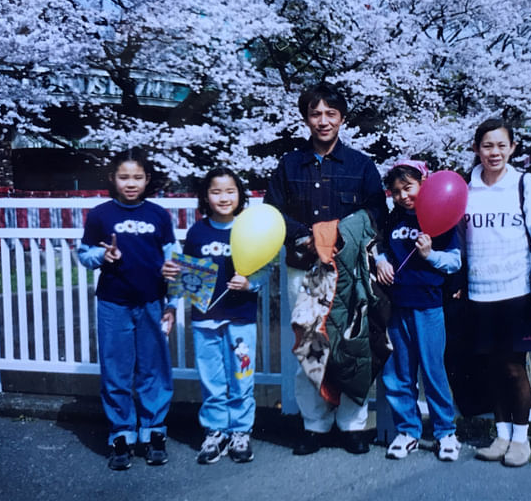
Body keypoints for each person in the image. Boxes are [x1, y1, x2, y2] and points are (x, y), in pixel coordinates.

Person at [264, 82, 387, 456]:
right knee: (310, 345)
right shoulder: (289, 165)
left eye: (330, 114)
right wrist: (306, 237)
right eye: (316, 114)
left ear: (342, 119)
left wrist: (340, 238)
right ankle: (315, 424)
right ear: (306, 118)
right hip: (304, 269)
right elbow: (273, 213)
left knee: (351, 343)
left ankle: (352, 424)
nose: (323, 121)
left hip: (349, 272)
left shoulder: (361, 166)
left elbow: (377, 212)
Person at [463, 118, 531, 468]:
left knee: (514, 367)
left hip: (517, 290)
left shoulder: (524, 184)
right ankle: (500, 435)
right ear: (476, 149)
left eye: (502, 145)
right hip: (478, 292)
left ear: (512, 148)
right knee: (490, 366)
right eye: (487, 146)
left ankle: (521, 439)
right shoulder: (466, 188)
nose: (494, 152)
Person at [77, 149, 176, 470]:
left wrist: (172, 302)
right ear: (112, 179)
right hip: (113, 303)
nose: (130, 184)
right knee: (116, 370)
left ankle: (153, 431)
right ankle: (121, 433)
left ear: (147, 180)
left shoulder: (159, 215)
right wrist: (101, 258)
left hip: (151, 302)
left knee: (153, 369)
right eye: (124, 177)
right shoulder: (100, 215)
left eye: (137, 177)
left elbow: (172, 262)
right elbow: (85, 253)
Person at [161, 167, 263, 465]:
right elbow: (187, 275)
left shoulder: (248, 230)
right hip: (205, 317)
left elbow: (263, 270)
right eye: (216, 191)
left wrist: (249, 283)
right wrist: (171, 303)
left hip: (240, 317)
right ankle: (215, 431)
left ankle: (241, 431)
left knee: (241, 376)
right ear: (206, 196)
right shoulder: (197, 232)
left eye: (230, 191)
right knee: (212, 378)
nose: (223, 197)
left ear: (240, 195)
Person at [375, 160, 463, 461]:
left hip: (428, 305)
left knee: (433, 370)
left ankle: (445, 432)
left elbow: (454, 261)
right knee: (399, 372)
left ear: (423, 184)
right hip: (397, 305)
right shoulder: (394, 218)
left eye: (408, 188)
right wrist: (381, 261)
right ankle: (407, 431)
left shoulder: (440, 216)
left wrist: (430, 255)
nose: (403, 196)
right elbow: (382, 248)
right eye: (396, 191)